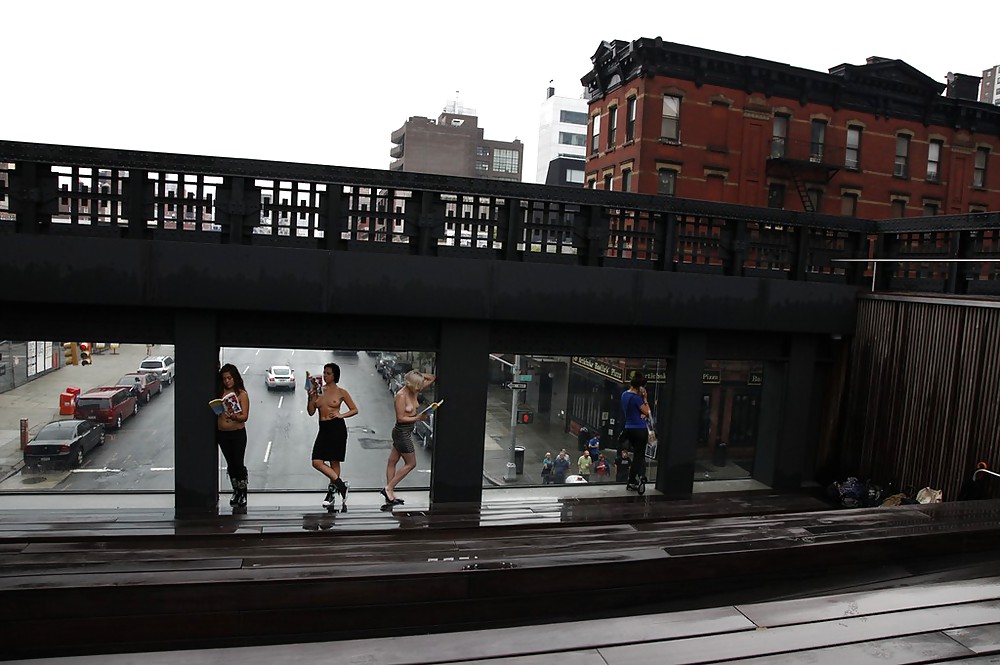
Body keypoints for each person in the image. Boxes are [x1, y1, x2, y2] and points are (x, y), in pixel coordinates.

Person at [307, 362, 359, 512]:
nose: (325, 376)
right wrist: (310, 398)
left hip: (337, 428)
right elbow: (311, 412)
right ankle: (341, 486)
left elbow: (355, 409)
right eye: (324, 373)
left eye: (328, 373)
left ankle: (331, 493)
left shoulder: (341, 392)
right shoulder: (318, 391)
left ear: (335, 375)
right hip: (323, 428)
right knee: (317, 461)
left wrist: (340, 414)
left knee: (334, 461)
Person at [383, 369, 436, 506]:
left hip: (406, 431)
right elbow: (400, 418)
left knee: (392, 461)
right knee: (411, 463)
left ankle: (390, 494)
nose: (420, 388)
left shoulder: (414, 390)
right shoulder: (401, 396)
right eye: (417, 384)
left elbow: (432, 378)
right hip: (402, 432)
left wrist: (417, 375)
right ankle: (388, 488)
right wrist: (418, 418)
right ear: (410, 384)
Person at [217, 364, 250, 509]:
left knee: (238, 462)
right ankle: (235, 490)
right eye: (224, 379)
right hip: (222, 434)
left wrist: (234, 417)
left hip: (237, 433)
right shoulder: (219, 393)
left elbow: (245, 416)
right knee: (230, 464)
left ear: (235, 378)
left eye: (229, 378)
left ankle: (243, 491)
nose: (227, 381)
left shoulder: (242, 394)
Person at [621, 371, 651, 490]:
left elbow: (632, 411)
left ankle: (641, 475)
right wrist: (645, 399)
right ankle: (632, 480)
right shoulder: (637, 398)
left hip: (628, 428)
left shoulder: (624, 395)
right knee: (639, 456)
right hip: (639, 429)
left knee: (638, 454)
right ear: (640, 387)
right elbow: (647, 411)